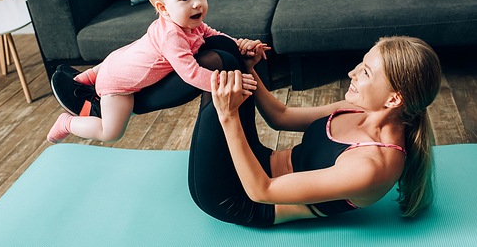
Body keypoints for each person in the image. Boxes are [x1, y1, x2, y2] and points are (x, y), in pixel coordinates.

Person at [188, 35, 441, 227]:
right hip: (257, 159)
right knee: (227, 51)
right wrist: (249, 68)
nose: (351, 73)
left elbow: (262, 191)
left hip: (241, 198)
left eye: (365, 72)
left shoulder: (371, 166)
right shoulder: (359, 109)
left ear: (394, 99)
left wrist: (228, 115)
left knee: (215, 67)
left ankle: (148, 85)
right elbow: (281, 117)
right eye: (361, 64)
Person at [46, 0, 267, 144]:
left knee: (129, 55)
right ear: (163, 8)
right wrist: (225, 81)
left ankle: (86, 77)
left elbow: (213, 34)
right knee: (111, 132)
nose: (197, 4)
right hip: (117, 85)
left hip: (118, 61)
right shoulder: (172, 36)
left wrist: (238, 44)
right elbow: (190, 73)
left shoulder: (191, 24)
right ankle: (67, 122)